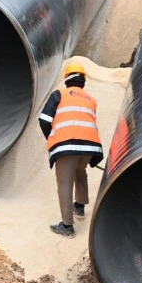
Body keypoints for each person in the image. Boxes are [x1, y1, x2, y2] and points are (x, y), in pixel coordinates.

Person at [39, 63, 104, 238]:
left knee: (64, 183)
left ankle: (67, 226)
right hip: (90, 147)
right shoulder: (90, 99)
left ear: (66, 80)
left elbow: (44, 119)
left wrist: (53, 138)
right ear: (83, 81)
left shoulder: (59, 94)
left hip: (66, 146)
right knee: (80, 172)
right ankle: (80, 207)